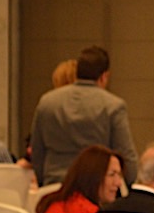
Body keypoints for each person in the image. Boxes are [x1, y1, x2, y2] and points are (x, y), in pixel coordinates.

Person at [30, 45, 138, 186]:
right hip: (94, 188)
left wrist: (43, 181)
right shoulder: (113, 106)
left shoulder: (47, 102)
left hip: (54, 185)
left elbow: (37, 151)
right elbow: (126, 155)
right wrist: (128, 182)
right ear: (104, 76)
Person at [32, 145, 124, 213]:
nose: (118, 183)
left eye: (119, 175)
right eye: (111, 174)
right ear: (92, 176)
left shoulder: (48, 204)